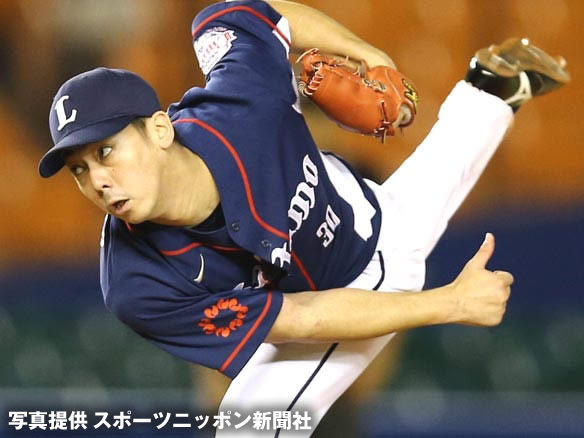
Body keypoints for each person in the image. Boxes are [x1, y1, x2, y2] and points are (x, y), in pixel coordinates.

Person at [38, 0, 569, 435]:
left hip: (362, 268)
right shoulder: (133, 282)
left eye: (106, 151)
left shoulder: (241, 97)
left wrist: (369, 54)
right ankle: (492, 91)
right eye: (78, 169)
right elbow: (302, 320)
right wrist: (449, 303)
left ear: (159, 129)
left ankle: (491, 95)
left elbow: (247, 14)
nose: (97, 180)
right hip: (325, 289)